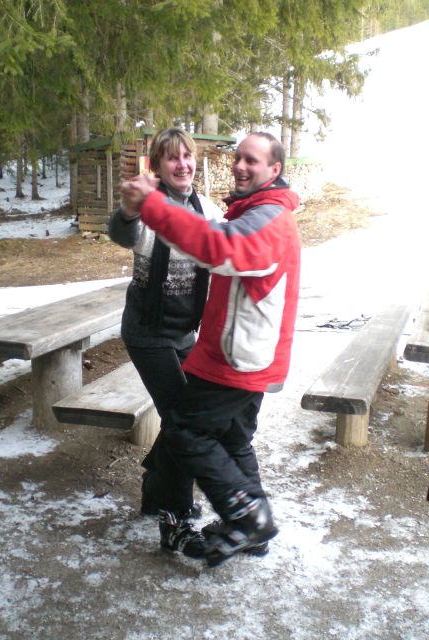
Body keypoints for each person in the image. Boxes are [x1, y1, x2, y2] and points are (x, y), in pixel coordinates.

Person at [121, 132, 301, 567]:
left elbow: (219, 247)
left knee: (185, 430)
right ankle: (242, 525)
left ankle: (245, 518)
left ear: (274, 170)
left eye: (252, 160)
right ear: (158, 165)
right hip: (193, 342)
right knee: (229, 436)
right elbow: (123, 231)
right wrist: (137, 209)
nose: (240, 166)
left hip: (234, 356)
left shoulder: (261, 218)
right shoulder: (250, 212)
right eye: (238, 157)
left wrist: (155, 207)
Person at [109, 128, 223, 556]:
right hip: (147, 332)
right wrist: (128, 208)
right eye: (172, 157)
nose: (182, 164)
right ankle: (174, 516)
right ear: (157, 165)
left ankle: (155, 486)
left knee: (194, 413)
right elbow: (122, 232)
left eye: (187, 156)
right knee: (183, 419)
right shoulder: (148, 207)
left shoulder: (207, 209)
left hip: (185, 331)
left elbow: (230, 250)